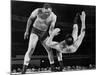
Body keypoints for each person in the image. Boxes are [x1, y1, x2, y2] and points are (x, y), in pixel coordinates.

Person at [22, 3, 63, 74]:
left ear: (51, 11)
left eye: (49, 12)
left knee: (49, 49)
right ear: (43, 9)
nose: (47, 14)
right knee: (31, 49)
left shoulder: (53, 17)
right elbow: (30, 19)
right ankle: (24, 69)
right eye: (46, 12)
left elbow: (51, 29)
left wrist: (52, 33)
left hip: (44, 33)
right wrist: (26, 31)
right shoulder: (38, 11)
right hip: (35, 31)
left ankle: (52, 67)